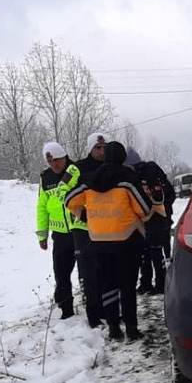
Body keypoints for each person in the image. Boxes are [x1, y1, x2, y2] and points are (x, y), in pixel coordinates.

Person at [63, 141, 151, 341]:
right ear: (122, 157)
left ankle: (113, 329)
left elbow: (69, 201)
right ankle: (131, 329)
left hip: (99, 241)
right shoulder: (128, 179)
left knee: (108, 285)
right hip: (127, 240)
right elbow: (144, 209)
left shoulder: (89, 180)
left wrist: (85, 216)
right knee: (127, 286)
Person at [35, 141, 82, 320]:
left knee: (87, 273)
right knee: (61, 274)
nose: (54, 164)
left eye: (57, 160)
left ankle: (94, 307)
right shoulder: (45, 177)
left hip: (80, 231)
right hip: (60, 235)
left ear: (64, 157)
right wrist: (42, 234)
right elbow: (42, 207)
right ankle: (66, 310)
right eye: (50, 161)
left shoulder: (75, 170)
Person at [70, 132, 110, 328]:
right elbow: (63, 192)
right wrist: (82, 214)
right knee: (89, 274)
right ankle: (94, 317)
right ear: (90, 148)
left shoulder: (110, 166)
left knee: (106, 271)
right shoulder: (77, 168)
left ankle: (108, 312)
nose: (102, 152)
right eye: (97, 148)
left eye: (104, 148)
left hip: (106, 227)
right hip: (83, 228)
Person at [124, 147, 176, 294]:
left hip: (158, 217)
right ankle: (145, 282)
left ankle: (161, 283)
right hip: (144, 218)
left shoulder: (150, 173)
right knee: (144, 252)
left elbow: (161, 197)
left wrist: (156, 210)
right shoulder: (136, 176)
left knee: (155, 251)